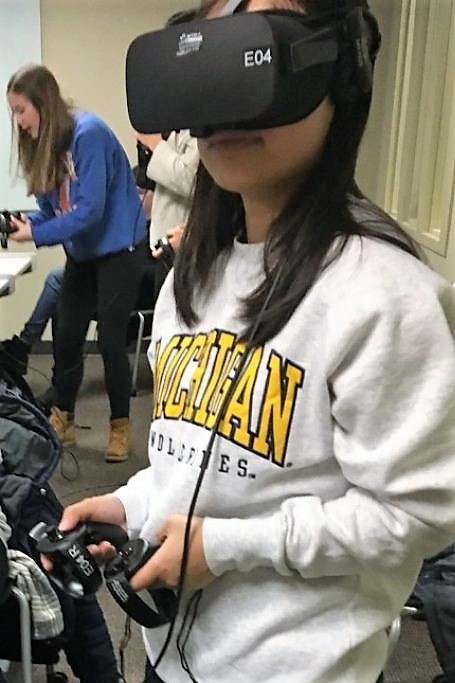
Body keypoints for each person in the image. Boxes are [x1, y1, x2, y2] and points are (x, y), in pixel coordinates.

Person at [41, 1, 455, 682]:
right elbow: (191, 465)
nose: (227, 103)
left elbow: (417, 513)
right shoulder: (188, 284)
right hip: (170, 657)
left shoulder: (383, 295)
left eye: (254, 55)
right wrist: (128, 505)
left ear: (339, 77)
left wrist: (226, 547)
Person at [6, 64, 148, 463]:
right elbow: (55, 210)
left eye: (21, 111)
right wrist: (25, 223)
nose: (17, 122)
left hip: (121, 247)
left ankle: (120, 425)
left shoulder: (90, 134)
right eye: (13, 113)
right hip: (84, 254)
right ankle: (62, 419)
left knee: (108, 340)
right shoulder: (42, 143)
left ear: (42, 103)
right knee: (66, 337)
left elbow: (90, 212)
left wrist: (34, 234)